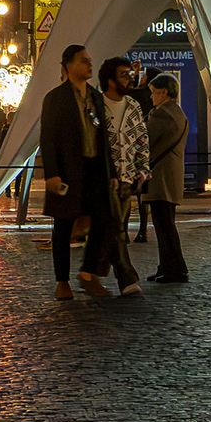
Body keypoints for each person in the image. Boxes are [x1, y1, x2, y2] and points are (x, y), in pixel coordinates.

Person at [41, 44, 118, 299]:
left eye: (90, 60)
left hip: (95, 169)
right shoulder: (55, 98)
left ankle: (89, 274)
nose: (89, 65)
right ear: (69, 65)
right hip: (68, 170)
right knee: (63, 225)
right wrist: (52, 174)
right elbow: (48, 139)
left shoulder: (95, 97)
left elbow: (102, 135)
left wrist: (112, 172)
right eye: (84, 61)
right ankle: (62, 281)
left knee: (104, 219)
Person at [94, 57, 147, 297]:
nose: (130, 78)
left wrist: (142, 172)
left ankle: (92, 273)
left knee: (116, 229)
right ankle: (127, 278)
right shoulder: (94, 106)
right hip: (101, 179)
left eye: (130, 74)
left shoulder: (133, 106)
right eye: (124, 74)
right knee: (115, 229)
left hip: (127, 181)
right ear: (110, 79)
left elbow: (141, 141)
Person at [143, 73, 190, 282]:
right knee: (166, 223)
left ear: (163, 92)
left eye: (153, 93)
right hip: (171, 175)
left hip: (160, 176)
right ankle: (167, 266)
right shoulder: (178, 113)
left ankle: (175, 268)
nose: (151, 97)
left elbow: (146, 141)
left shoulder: (161, 115)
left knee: (164, 226)